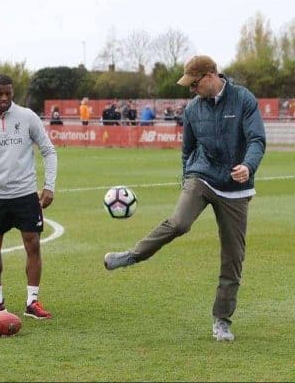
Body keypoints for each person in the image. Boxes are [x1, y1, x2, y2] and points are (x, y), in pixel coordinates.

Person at [103, 55, 266, 342]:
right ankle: (131, 255)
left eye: (194, 84)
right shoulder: (192, 110)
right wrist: (185, 180)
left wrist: (248, 165)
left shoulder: (243, 99)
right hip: (201, 176)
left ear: (210, 76)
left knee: (233, 258)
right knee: (178, 223)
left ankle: (222, 320)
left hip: (236, 187)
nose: (191, 90)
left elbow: (256, 140)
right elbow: (187, 150)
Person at [0, 74, 58, 319]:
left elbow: (49, 151)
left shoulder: (27, 117)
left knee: (33, 244)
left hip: (25, 194)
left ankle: (32, 302)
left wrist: (49, 186)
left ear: (12, 92)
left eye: (8, 93)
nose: (4, 98)